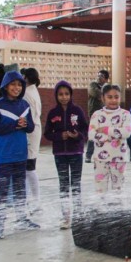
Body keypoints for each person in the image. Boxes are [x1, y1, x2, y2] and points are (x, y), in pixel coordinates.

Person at [0, 69, 37, 239]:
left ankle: (22, 218)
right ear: (5, 86)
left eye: (19, 85)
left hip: (20, 154)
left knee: (20, 188)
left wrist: (24, 125)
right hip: (3, 156)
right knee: (2, 190)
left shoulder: (24, 105)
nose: (16, 88)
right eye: (13, 85)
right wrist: (14, 125)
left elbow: (31, 127)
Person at [44, 80, 88, 229]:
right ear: (56, 95)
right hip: (60, 154)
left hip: (76, 152)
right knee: (63, 185)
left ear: (71, 94)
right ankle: (66, 217)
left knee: (75, 184)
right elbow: (47, 134)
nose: (64, 97)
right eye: (61, 94)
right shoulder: (52, 113)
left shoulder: (78, 111)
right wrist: (59, 136)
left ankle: (78, 216)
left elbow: (85, 129)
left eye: (67, 94)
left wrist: (77, 136)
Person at [88, 84, 131, 193]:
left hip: (119, 158)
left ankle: (117, 210)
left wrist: (106, 130)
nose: (113, 100)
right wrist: (116, 134)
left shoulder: (125, 114)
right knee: (100, 190)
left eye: (116, 97)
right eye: (110, 97)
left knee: (118, 190)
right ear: (103, 98)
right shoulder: (96, 115)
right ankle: (102, 210)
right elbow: (91, 134)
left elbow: (126, 132)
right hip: (100, 159)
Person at [21, 67, 43, 212]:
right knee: (27, 168)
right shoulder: (32, 91)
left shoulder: (27, 93)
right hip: (33, 129)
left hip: (31, 130)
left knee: (29, 168)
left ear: (27, 78)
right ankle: (31, 200)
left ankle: (35, 201)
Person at [84, 69, 109, 163]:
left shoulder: (107, 87)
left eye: (101, 76)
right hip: (94, 113)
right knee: (93, 133)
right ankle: (88, 155)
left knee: (104, 133)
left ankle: (103, 154)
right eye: (98, 75)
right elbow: (96, 94)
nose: (99, 77)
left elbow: (108, 96)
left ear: (106, 79)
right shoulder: (92, 85)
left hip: (105, 114)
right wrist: (105, 93)